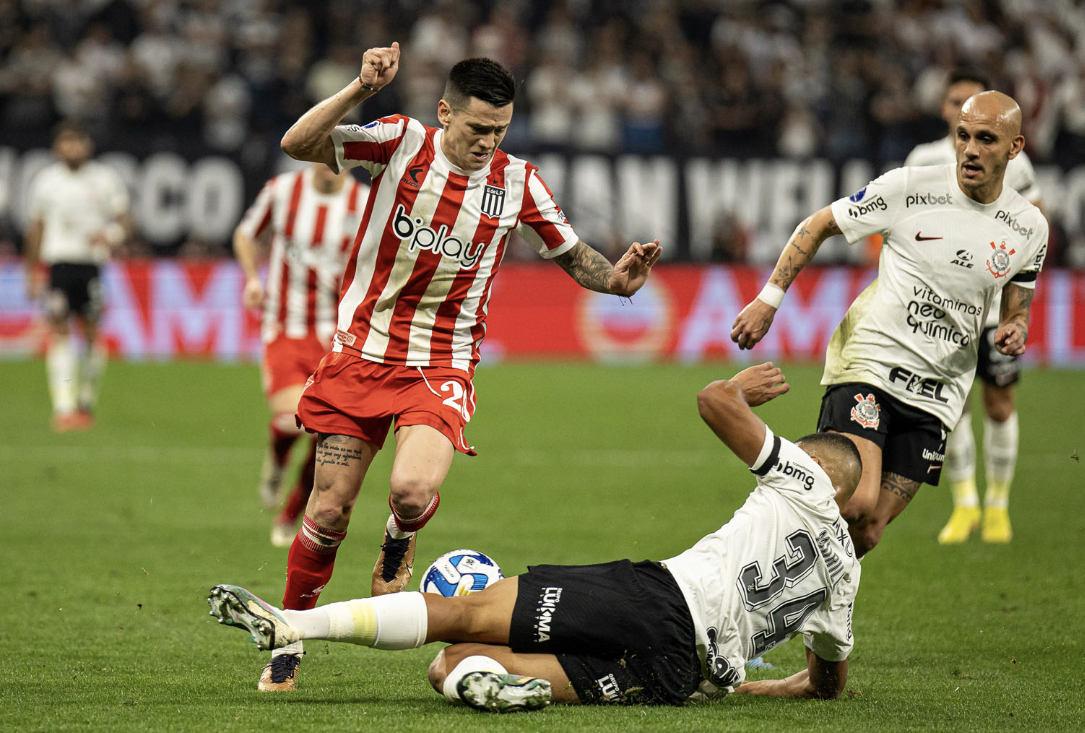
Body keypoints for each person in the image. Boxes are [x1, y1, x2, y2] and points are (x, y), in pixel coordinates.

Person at [254, 43, 662, 691]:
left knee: (412, 490)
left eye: (498, 131)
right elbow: (297, 143)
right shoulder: (399, 142)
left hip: (440, 361)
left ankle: (398, 535)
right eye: (475, 129)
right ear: (445, 113)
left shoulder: (516, 182)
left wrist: (617, 280)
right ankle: (289, 638)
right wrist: (361, 88)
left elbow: (571, 253)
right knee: (328, 511)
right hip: (361, 352)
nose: (485, 143)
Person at [208, 362, 864, 711]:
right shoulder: (846, 576)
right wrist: (745, 685)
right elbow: (825, 683)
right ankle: (485, 688)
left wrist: (736, 389)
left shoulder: (803, 477)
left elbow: (713, 403)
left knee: (460, 617)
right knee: (451, 668)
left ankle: (299, 624)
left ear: (813, 467)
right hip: (680, 674)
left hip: (655, 598)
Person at [731, 91, 1048, 559]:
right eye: (963, 136)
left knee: (868, 530)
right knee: (855, 500)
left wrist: (1016, 325)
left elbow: (1017, 300)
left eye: (986, 139)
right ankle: (757, 536)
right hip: (871, 361)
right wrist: (768, 299)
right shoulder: (909, 188)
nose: (971, 150)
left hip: (939, 388)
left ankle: (799, 607)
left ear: (1015, 148)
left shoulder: (1028, 228)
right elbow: (818, 224)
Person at [904, 71, 1046, 545]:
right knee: (953, 409)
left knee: (1000, 404)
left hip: (991, 312)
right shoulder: (923, 160)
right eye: (954, 101)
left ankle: (998, 506)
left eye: (971, 100)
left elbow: (1035, 225)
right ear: (945, 108)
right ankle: (965, 504)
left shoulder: (1013, 167)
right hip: (944, 313)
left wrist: (1016, 308)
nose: (961, 108)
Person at [233, 162, 370, 547]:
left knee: (328, 432)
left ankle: (291, 513)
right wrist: (253, 279)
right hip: (285, 326)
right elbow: (245, 235)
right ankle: (277, 461)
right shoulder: (282, 191)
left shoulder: (364, 202)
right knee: (293, 419)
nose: (330, 165)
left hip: (338, 334)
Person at [23, 119, 130, 432]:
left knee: (93, 333)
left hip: (90, 265)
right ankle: (63, 405)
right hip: (58, 265)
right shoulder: (46, 181)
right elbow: (36, 229)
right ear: (57, 147)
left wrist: (110, 235)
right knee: (59, 331)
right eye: (66, 142)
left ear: (87, 144)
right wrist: (31, 271)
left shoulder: (105, 179)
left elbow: (125, 223)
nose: (72, 147)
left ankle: (85, 400)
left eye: (77, 141)